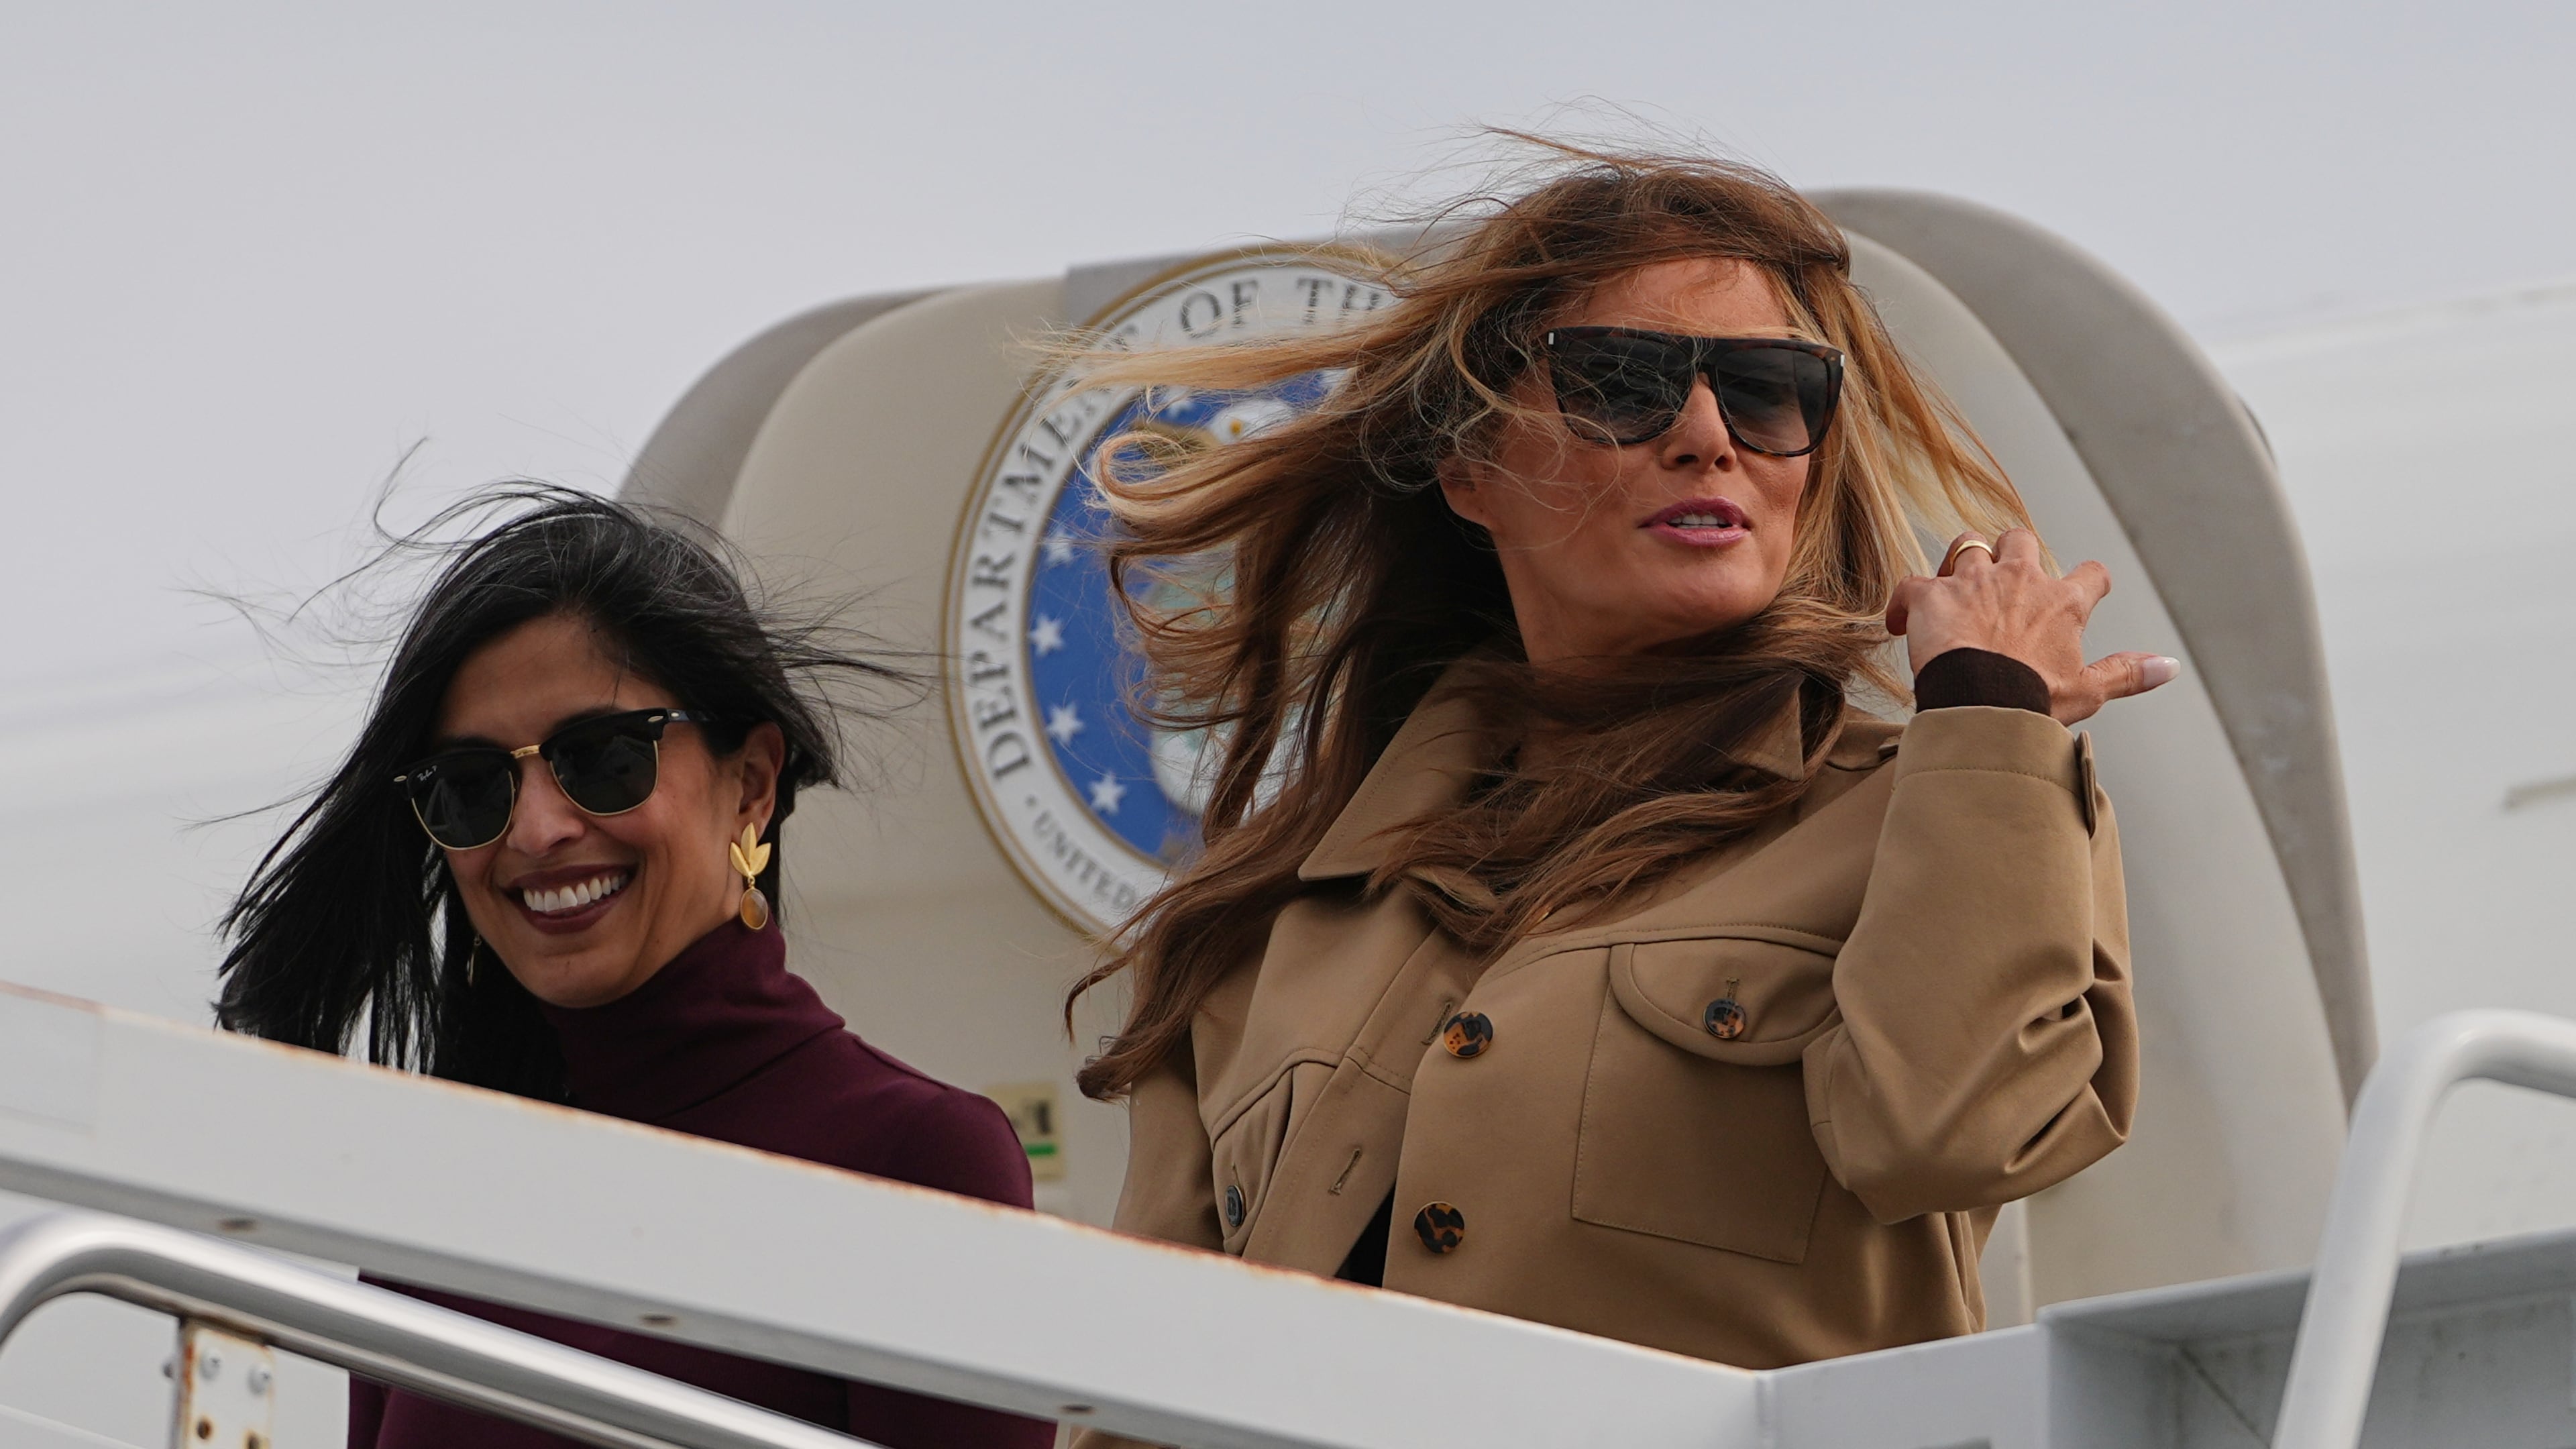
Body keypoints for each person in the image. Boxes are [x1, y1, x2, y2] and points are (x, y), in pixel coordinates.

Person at [1065, 143, 2167, 1385]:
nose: (1707, 436)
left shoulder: (1940, 813)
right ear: (1470, 468)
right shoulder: (1262, 927)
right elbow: (1149, 1392)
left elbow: (1958, 1133)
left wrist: (1987, 713)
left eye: (1766, 391)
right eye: (1623, 383)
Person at [216, 490, 1053, 1449]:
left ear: (751, 785)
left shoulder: (920, 1164)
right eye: (473, 787)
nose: (536, 831)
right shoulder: (443, 1207)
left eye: (604, 759)